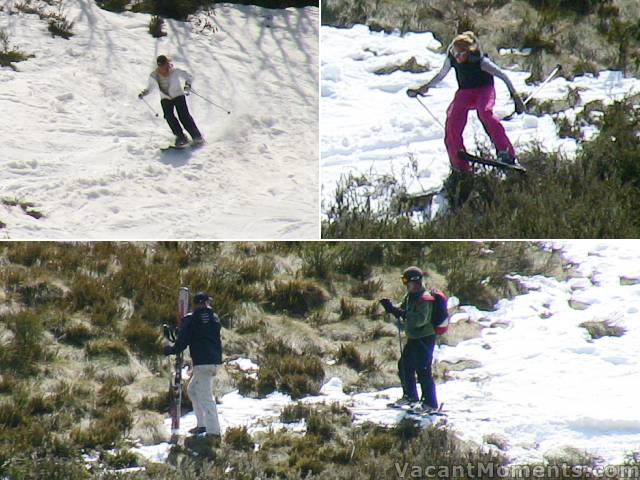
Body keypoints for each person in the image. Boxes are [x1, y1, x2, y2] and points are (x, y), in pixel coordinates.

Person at [407, 31, 526, 172]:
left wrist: (516, 97)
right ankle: (458, 163)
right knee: (452, 120)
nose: (456, 57)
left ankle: (506, 152)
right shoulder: (452, 59)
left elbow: (503, 75)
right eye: (454, 52)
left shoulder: (480, 62)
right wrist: (423, 88)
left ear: (469, 52)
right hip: (465, 92)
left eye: (460, 54)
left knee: (485, 113)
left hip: (484, 90)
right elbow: (440, 75)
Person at [380, 266, 439, 413]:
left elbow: (420, 320)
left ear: (416, 282)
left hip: (425, 338)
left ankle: (430, 403)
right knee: (404, 366)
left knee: (423, 370)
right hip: (413, 338)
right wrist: (392, 309)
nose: (406, 286)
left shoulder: (425, 298)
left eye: (408, 283)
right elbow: (402, 310)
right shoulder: (410, 296)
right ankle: (410, 396)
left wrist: (402, 313)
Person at [163, 292, 222, 437]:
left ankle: (213, 432)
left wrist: (171, 349)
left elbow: (182, 342)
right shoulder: (214, 318)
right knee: (193, 390)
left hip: (202, 363)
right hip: (213, 362)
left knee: (206, 397)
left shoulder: (192, 319)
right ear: (206, 302)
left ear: (195, 304)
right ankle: (202, 425)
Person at [139, 55, 204, 148]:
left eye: (165, 65)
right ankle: (181, 137)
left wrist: (187, 85)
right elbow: (150, 87)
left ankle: (197, 136)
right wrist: (144, 93)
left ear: (168, 63)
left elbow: (189, 77)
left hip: (178, 95)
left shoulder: (175, 71)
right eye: (161, 66)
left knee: (184, 116)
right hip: (165, 98)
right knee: (168, 116)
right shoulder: (154, 75)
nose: (164, 68)